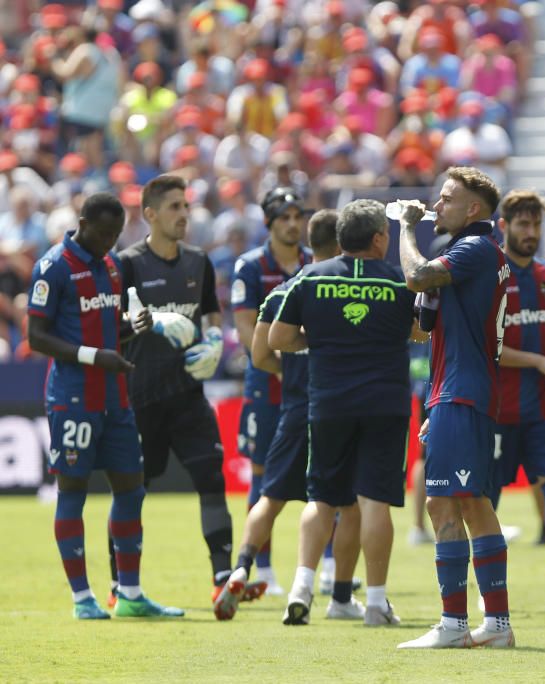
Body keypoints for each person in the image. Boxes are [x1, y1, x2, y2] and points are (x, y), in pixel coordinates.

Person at [27, 192, 182, 619]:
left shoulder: (110, 266)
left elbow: (108, 331)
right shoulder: (53, 267)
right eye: (105, 233)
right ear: (83, 223)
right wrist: (96, 356)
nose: (112, 242)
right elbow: (36, 337)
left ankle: (129, 592)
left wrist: (133, 327)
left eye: (117, 234)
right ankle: (82, 599)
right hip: (74, 399)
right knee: (73, 491)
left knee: (132, 489)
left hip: (116, 396)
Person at [271, 199, 424, 627]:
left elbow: (280, 338)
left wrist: (319, 340)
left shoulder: (312, 277)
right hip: (385, 404)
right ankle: (375, 602)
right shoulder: (400, 282)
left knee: (322, 498)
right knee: (375, 503)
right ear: (379, 239)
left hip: (328, 402)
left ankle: (301, 587)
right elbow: (420, 330)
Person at [113, 175, 250, 607]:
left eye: (186, 206)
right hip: (142, 396)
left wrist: (212, 342)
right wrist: (147, 321)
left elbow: (211, 314)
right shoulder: (128, 263)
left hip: (190, 395)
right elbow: (113, 325)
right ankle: (121, 585)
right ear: (150, 214)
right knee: (132, 489)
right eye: (174, 207)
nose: (184, 215)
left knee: (212, 479)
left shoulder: (199, 261)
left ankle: (223, 576)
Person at [394, 167, 513, 649]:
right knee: (469, 503)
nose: (435, 206)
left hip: (461, 390)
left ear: (474, 210)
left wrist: (404, 228)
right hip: (459, 389)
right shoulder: (468, 255)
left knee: (447, 502)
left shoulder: (475, 250)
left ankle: (455, 624)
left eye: (446, 199)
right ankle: (495, 627)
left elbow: (415, 274)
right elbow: (422, 326)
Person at [214, 209, 344, 621]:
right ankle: (329, 583)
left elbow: (259, 354)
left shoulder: (285, 289)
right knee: (334, 500)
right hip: (331, 407)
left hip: (290, 407)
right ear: (341, 244)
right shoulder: (346, 289)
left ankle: (242, 567)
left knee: (269, 497)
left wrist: (290, 369)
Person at [489, 190, 545, 609]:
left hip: (543, 409)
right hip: (497, 411)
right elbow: (489, 348)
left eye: (536, 224)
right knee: (485, 502)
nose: (531, 232)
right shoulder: (490, 275)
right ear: (504, 227)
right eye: (522, 224)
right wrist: (543, 362)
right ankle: (486, 593)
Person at [231, 186, 311, 595]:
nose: (293, 224)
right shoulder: (249, 266)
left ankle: (325, 563)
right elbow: (247, 330)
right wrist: (283, 368)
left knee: (322, 474)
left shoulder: (314, 264)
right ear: (269, 223)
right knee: (263, 475)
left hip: (307, 385)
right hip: (267, 383)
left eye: (298, 216)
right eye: (284, 217)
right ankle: (262, 568)